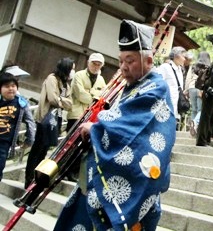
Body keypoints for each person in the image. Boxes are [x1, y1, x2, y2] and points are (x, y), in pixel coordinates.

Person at [54, 20, 176, 231]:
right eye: (121, 61)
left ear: (148, 60)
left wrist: (97, 127)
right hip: (106, 174)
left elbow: (133, 127)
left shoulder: (157, 87)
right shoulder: (133, 86)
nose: (123, 67)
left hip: (135, 177)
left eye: (130, 60)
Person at [25, 58, 74, 188]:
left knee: (45, 149)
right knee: (38, 147)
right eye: (72, 69)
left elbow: (70, 104)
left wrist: (60, 100)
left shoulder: (66, 84)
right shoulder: (52, 78)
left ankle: (37, 178)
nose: (73, 71)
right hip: (45, 117)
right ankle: (29, 177)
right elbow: (52, 99)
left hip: (55, 119)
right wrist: (62, 101)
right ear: (66, 68)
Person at [65, 53, 107, 181]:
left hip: (91, 118)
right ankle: (64, 170)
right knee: (70, 144)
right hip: (77, 114)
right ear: (88, 63)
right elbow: (81, 95)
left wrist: (92, 95)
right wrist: (94, 96)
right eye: (94, 63)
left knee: (82, 146)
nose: (96, 66)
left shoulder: (101, 80)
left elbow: (103, 98)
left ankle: (73, 172)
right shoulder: (79, 75)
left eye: (99, 64)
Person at [0, 73, 35, 181]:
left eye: (13, 86)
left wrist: (29, 140)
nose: (10, 89)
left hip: (4, 142)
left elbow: (30, 122)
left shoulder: (21, 104)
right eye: (7, 86)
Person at [157, 46, 186, 122]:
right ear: (176, 56)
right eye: (183, 56)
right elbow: (158, 83)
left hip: (176, 105)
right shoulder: (165, 67)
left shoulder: (180, 69)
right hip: (166, 104)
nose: (184, 59)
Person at [186, 51, 211, 137]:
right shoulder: (208, 66)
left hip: (191, 88)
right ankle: (195, 123)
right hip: (201, 89)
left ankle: (192, 128)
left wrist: (186, 90)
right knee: (201, 110)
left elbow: (188, 78)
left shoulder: (193, 65)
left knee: (194, 109)